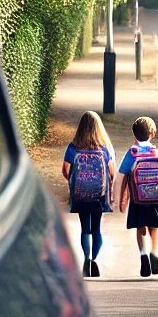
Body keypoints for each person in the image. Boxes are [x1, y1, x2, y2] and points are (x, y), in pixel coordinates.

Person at [116, 116, 158, 278]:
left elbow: (122, 175)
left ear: (134, 135)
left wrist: (121, 199)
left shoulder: (132, 153)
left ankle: (143, 255)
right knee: (154, 229)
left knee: (140, 227)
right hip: (157, 197)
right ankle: (154, 254)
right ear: (153, 134)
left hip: (137, 198)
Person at [61, 110, 115, 278]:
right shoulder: (104, 149)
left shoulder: (73, 147)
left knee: (85, 229)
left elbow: (65, 169)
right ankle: (94, 261)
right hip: (99, 195)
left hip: (80, 194)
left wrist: (74, 181)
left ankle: (85, 259)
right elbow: (112, 173)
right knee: (97, 229)